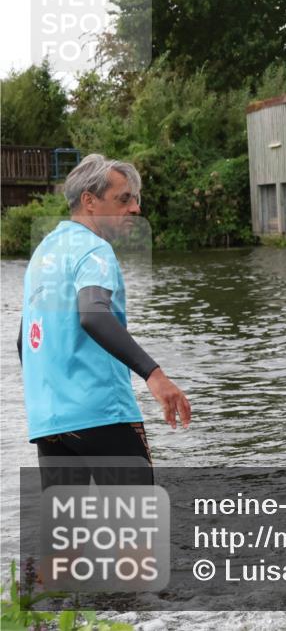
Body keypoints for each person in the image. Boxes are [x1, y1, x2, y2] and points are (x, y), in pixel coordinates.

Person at [18, 154, 191, 485]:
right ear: (89, 202)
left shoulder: (43, 254)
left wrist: (56, 394)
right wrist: (154, 375)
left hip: (50, 423)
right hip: (103, 413)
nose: (135, 209)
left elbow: (23, 340)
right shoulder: (94, 250)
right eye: (123, 199)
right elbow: (94, 316)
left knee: (69, 536)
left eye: (135, 200)